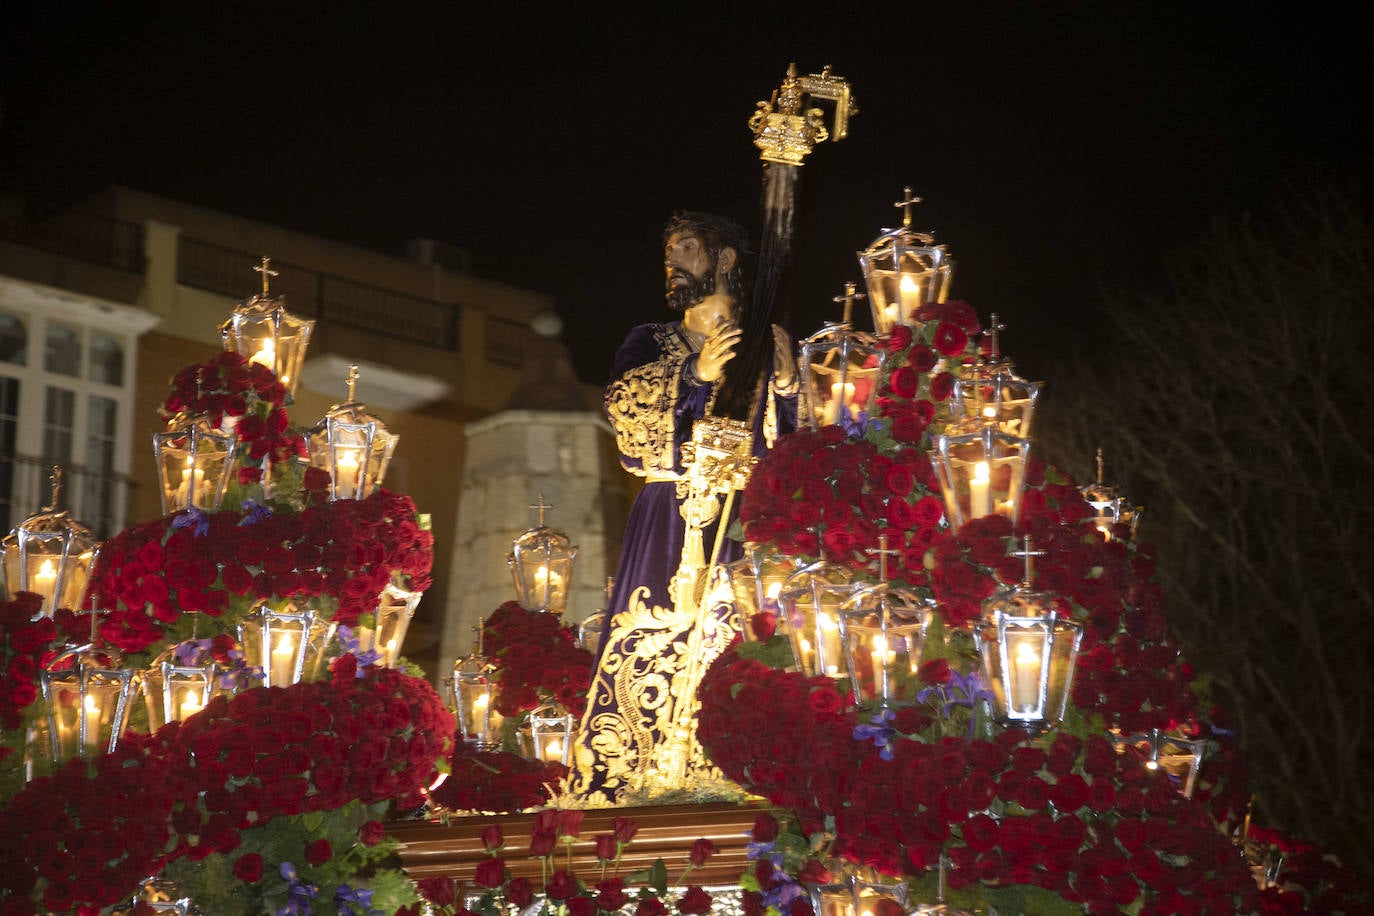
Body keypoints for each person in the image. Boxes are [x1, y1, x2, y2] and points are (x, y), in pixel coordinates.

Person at [570, 211, 798, 800]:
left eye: (688, 248)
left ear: (724, 261)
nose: (672, 262)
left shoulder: (769, 345)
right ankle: (636, 775)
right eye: (669, 251)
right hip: (671, 517)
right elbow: (627, 418)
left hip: (748, 524)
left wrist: (793, 387)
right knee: (656, 645)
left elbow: (796, 452)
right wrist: (695, 375)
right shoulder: (651, 340)